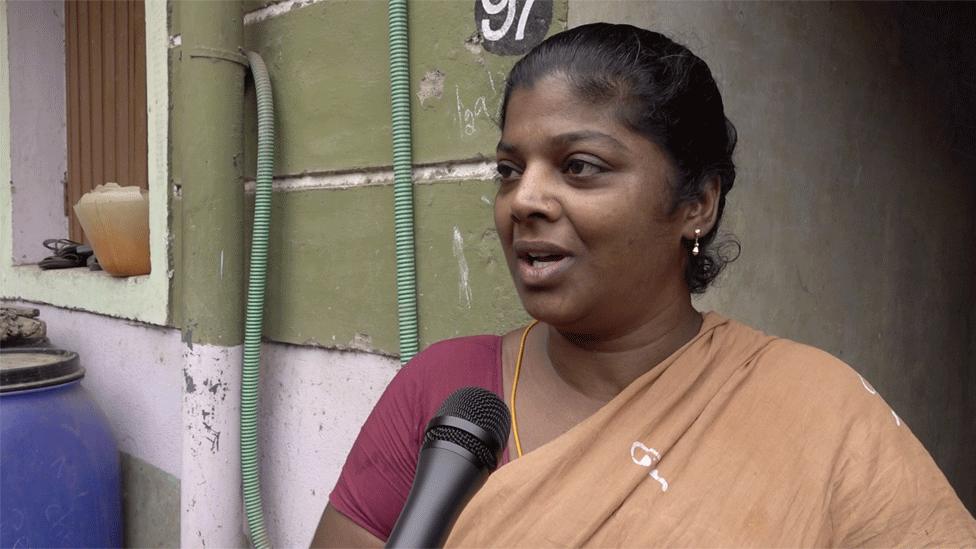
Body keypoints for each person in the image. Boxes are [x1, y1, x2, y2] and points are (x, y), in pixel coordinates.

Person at [312, 23, 976, 547]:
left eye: (579, 166)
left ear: (697, 204)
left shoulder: (820, 411)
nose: (525, 200)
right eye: (510, 170)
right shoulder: (447, 389)